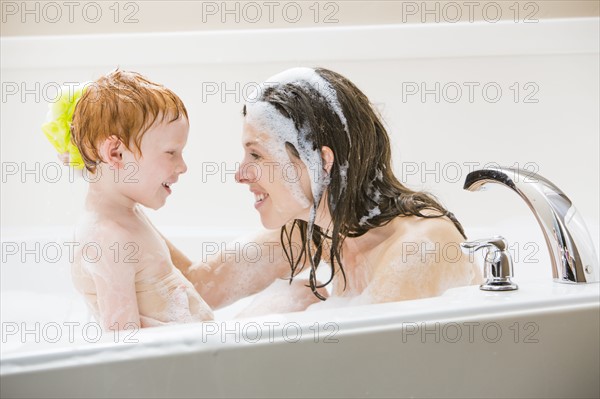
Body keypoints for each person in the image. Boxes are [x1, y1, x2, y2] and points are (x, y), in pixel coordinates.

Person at [227, 67, 482, 311]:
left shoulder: (418, 248)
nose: (240, 175)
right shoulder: (322, 230)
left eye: (256, 155)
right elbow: (200, 284)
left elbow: (368, 354)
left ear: (320, 163)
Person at [42, 69, 213, 330]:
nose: (182, 166)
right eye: (171, 152)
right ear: (116, 153)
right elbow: (123, 346)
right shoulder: (107, 239)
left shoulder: (126, 214)